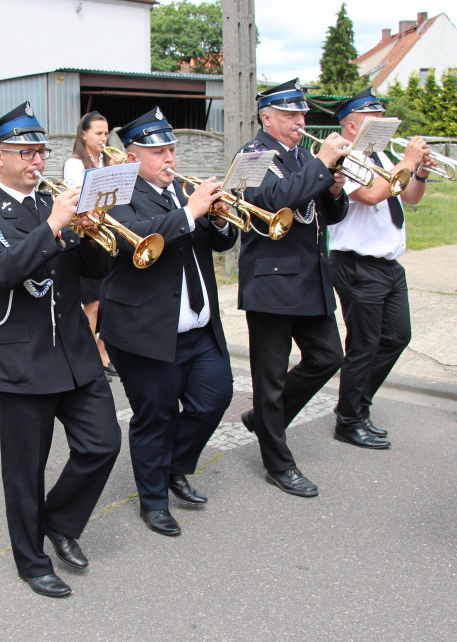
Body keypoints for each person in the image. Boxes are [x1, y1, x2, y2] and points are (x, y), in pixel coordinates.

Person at [0, 101, 120, 598]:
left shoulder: (52, 202)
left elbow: (94, 272)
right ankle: (31, 561)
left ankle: (60, 521)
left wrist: (93, 228)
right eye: (25, 153)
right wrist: (55, 225)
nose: (35, 162)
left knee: (103, 444)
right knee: (25, 470)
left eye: (40, 151)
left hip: (74, 349)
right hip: (24, 356)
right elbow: (1, 273)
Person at [98, 107, 236, 537]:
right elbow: (135, 241)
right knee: (154, 417)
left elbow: (222, 240)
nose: (170, 159)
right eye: (159, 152)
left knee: (215, 398)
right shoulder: (117, 190)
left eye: (172, 149)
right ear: (133, 155)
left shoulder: (180, 190)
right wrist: (190, 212)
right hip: (145, 331)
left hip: (199, 327)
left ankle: (175, 467)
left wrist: (216, 216)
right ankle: (154, 499)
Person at [236, 79, 351, 497]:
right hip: (271, 282)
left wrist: (335, 188)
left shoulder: (304, 155)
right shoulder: (251, 155)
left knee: (328, 357)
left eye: (302, 115)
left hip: (310, 277)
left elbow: (329, 215)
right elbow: (271, 200)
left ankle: (266, 420)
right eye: (291, 115)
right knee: (269, 379)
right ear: (267, 117)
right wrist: (320, 166)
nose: (301, 122)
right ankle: (278, 464)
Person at [327, 87, 435, 446]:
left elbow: (410, 197)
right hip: (357, 264)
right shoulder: (348, 157)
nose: (386, 123)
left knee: (397, 337)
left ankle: (358, 404)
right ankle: (349, 419)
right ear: (353, 125)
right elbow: (372, 194)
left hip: (389, 265)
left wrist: (417, 173)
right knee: (364, 344)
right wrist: (407, 160)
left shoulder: (386, 157)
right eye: (377, 117)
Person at [63, 112, 117, 378]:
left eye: (106, 133)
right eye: (98, 133)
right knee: (92, 303)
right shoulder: (75, 164)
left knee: (109, 299)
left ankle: (103, 350)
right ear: (84, 134)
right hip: (89, 239)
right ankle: (89, 356)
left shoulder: (107, 160)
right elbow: (81, 200)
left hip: (109, 233)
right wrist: (109, 175)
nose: (103, 138)